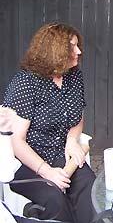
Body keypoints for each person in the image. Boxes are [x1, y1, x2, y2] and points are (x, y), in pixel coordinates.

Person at [2, 23, 95, 223]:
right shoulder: (26, 82)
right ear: (54, 51)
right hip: (27, 163)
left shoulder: (73, 76)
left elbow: (78, 115)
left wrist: (71, 140)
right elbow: (16, 142)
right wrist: (47, 172)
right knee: (55, 198)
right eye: (72, 47)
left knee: (88, 185)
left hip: (61, 154)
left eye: (78, 45)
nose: (78, 51)